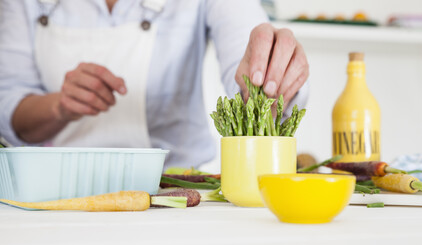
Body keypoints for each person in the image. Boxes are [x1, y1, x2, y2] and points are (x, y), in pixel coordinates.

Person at [0, 0, 309, 168]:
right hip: (56, 193)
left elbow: (245, 54)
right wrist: (59, 106)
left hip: (174, 194)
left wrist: (269, 71)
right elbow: (9, 103)